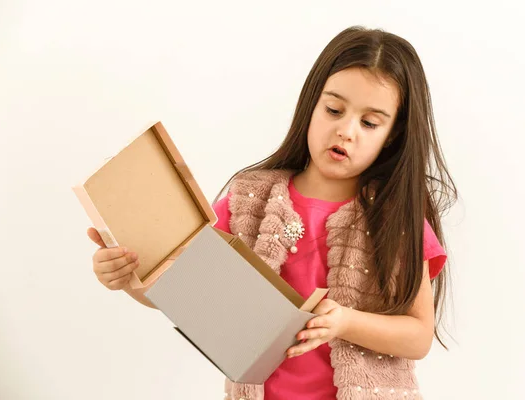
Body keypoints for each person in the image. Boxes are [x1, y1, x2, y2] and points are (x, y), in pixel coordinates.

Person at [88, 25, 457, 400]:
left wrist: (344, 321)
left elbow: (418, 336)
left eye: (369, 123)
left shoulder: (395, 218)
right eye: (333, 109)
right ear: (311, 104)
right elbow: (187, 294)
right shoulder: (250, 199)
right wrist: (129, 278)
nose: (346, 131)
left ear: (393, 134)